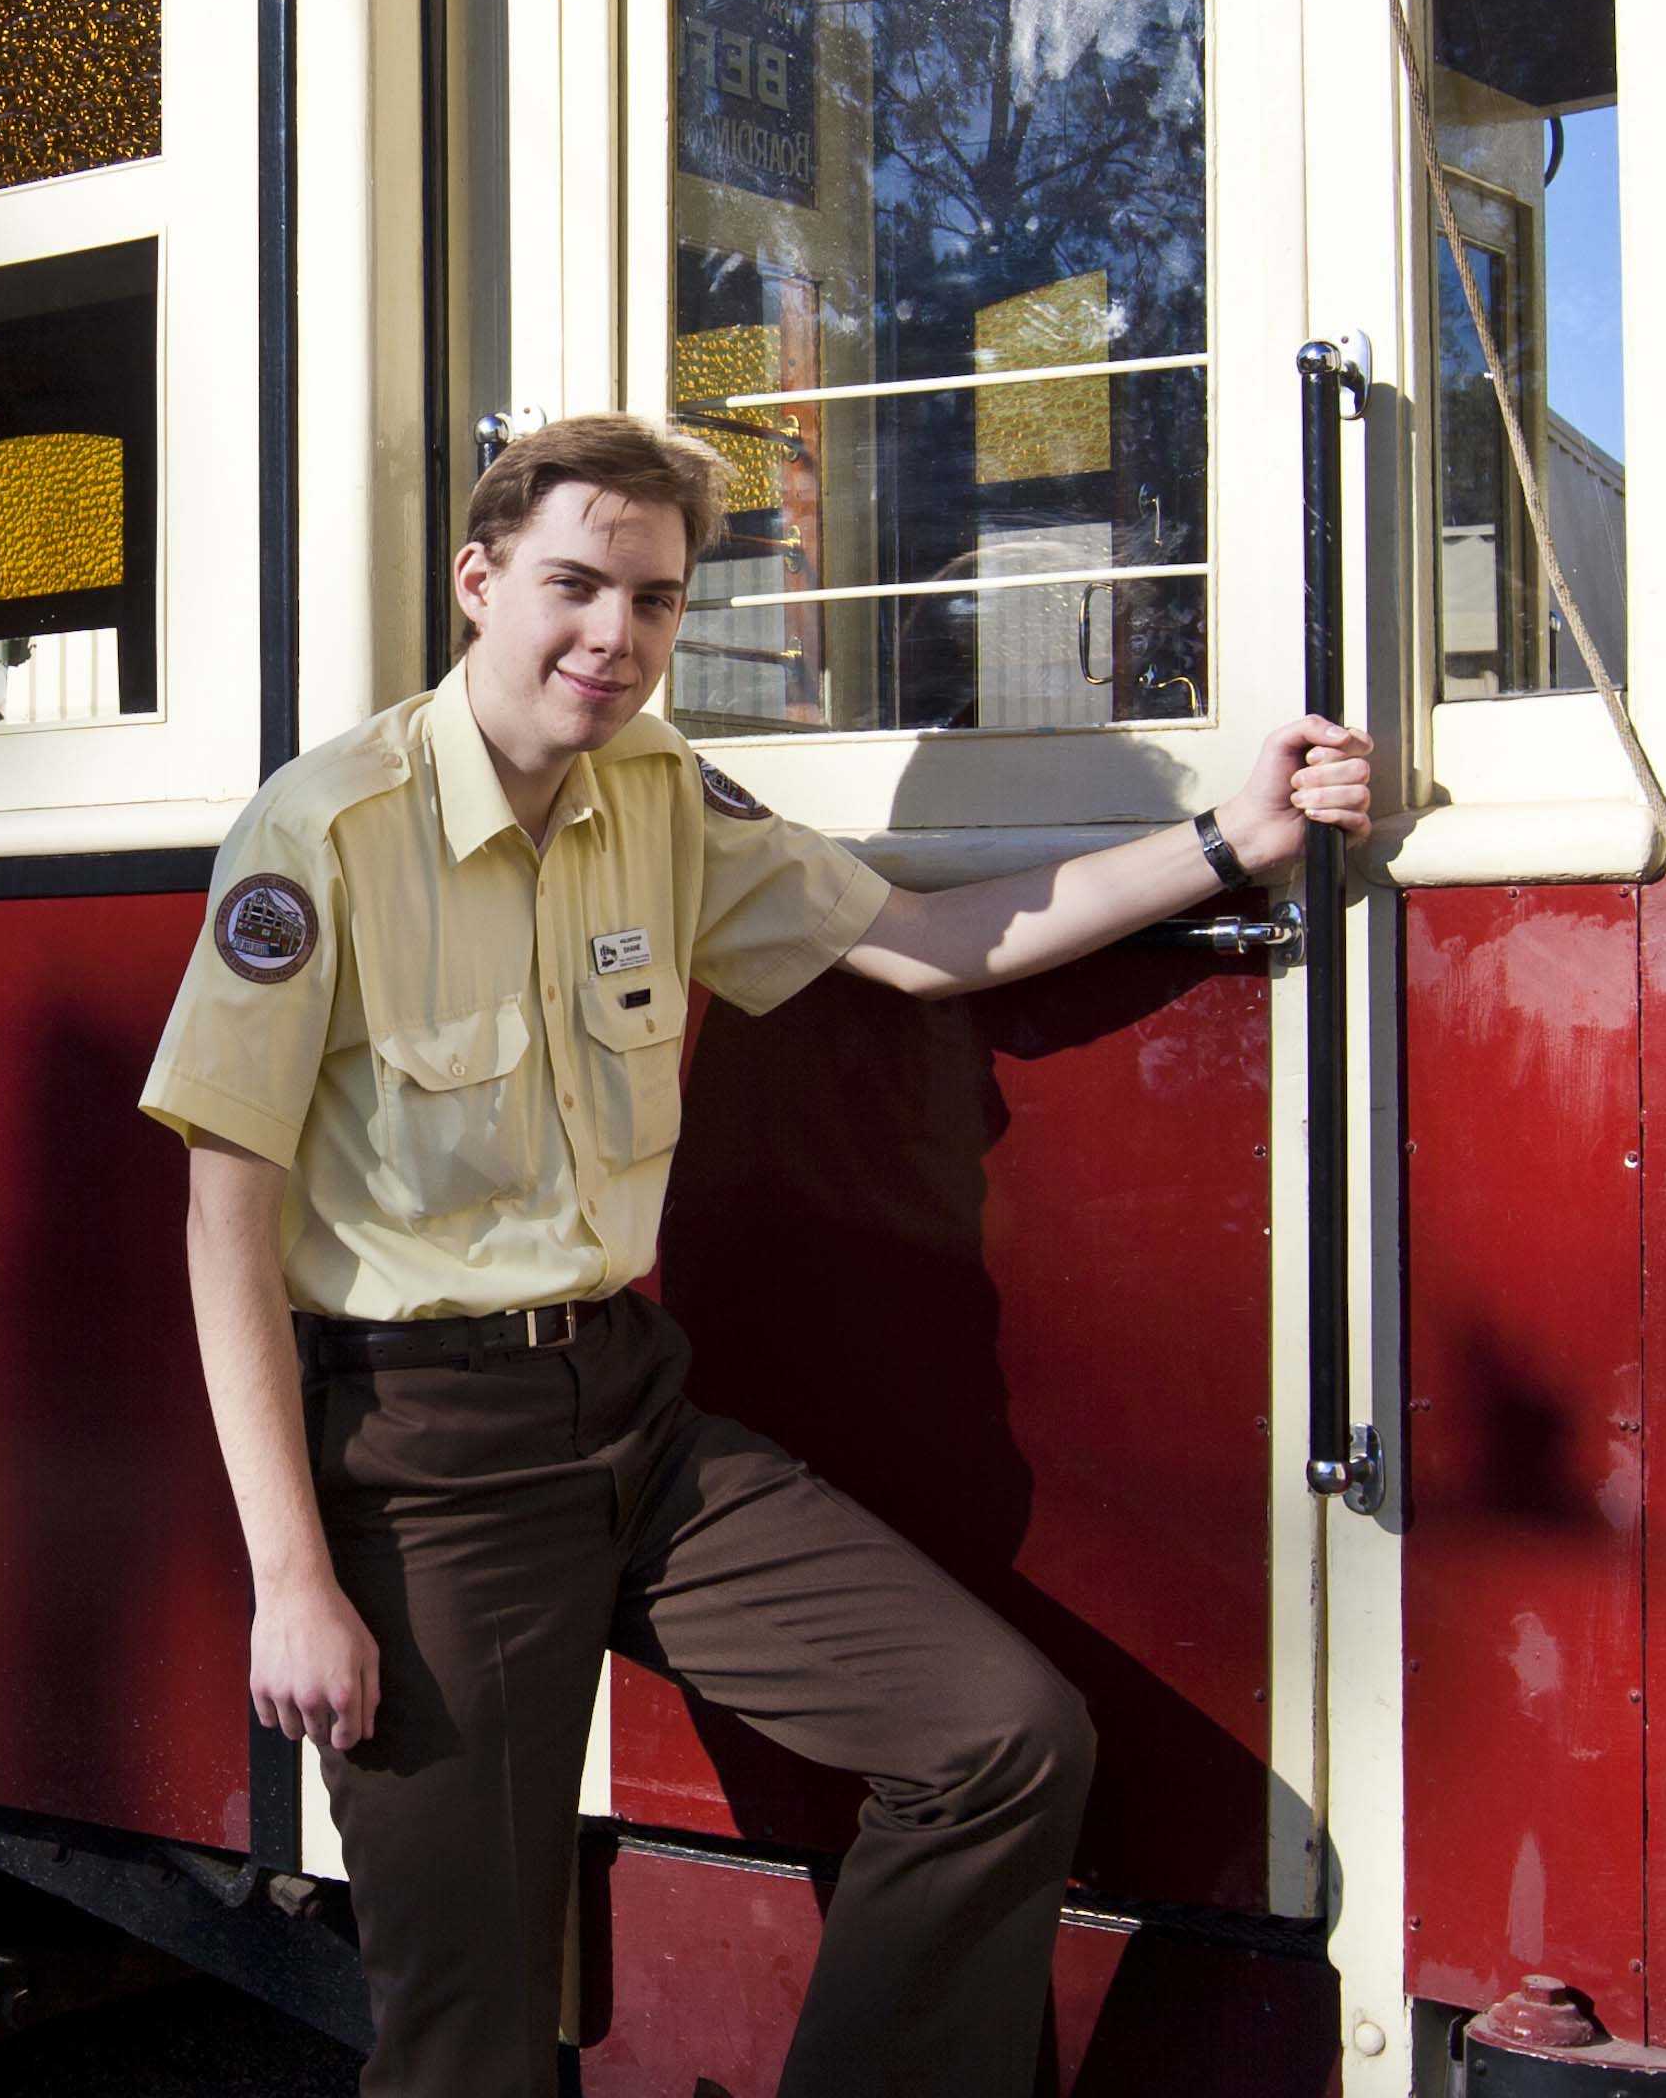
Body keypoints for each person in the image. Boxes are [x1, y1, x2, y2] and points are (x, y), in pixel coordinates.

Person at [142, 413, 1373, 2098]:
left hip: (630, 1417)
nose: (616, 636)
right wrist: (292, 1580)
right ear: (479, 582)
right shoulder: (328, 831)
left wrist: (1227, 842)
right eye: (576, 586)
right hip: (421, 1466)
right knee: (469, 2042)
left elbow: (924, 944)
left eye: (655, 600)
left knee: (1001, 1739)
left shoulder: (658, 791)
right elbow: (223, 1218)